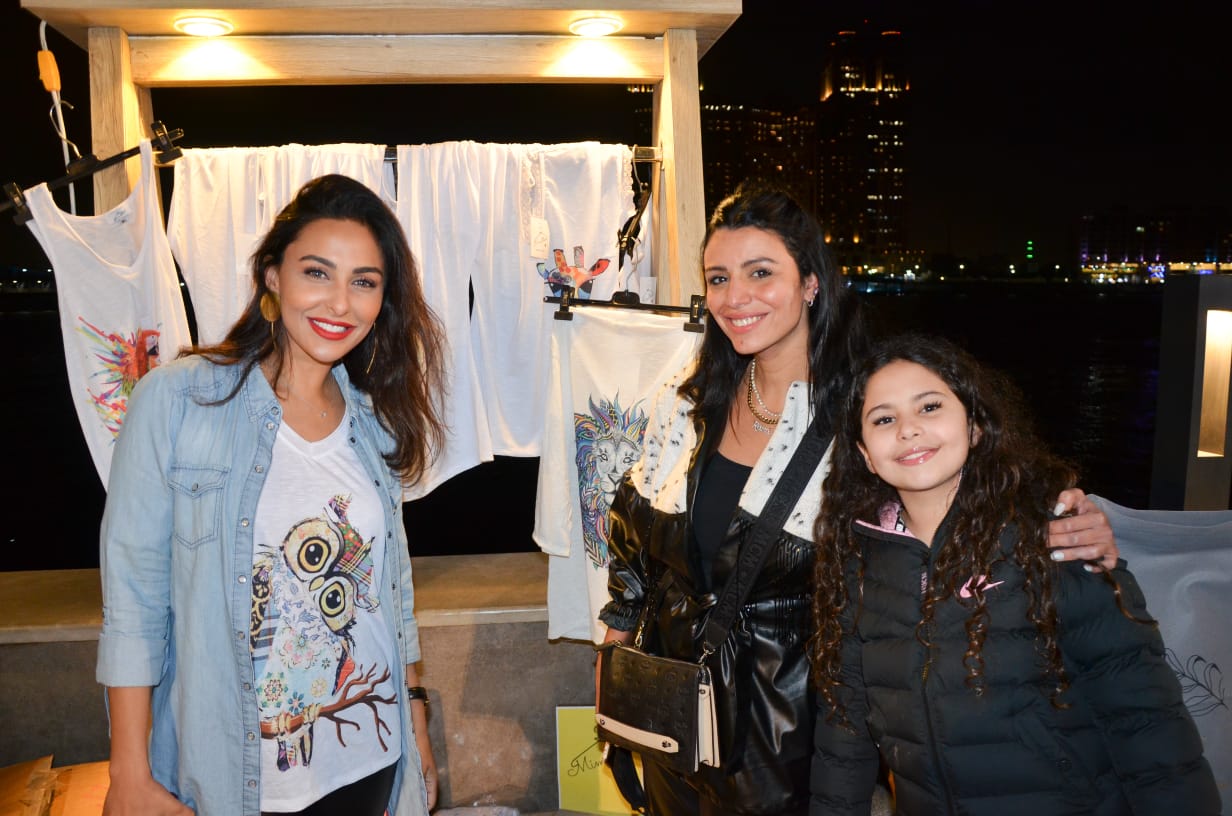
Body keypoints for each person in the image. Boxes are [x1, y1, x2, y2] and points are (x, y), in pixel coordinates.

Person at [597, 181, 1119, 816]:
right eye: (719, 278)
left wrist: (1060, 515)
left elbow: (967, 479)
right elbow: (632, 524)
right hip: (675, 708)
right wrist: (617, 640)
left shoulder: (862, 407)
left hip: (790, 725)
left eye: (761, 273)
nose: (735, 298)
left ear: (810, 283)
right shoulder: (689, 395)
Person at [96, 174, 445, 816]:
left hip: (371, 761)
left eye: (364, 282)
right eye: (317, 273)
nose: (340, 303)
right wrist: (128, 775)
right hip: (234, 779)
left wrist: (416, 723)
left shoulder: (373, 421)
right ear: (272, 277)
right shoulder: (178, 401)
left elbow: (391, 596)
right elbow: (134, 600)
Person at [808, 332, 1220, 815]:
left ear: (975, 427)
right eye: (884, 419)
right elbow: (843, 736)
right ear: (864, 454)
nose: (908, 430)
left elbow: (1146, 720)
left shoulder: (1054, 541)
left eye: (930, 407)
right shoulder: (858, 567)